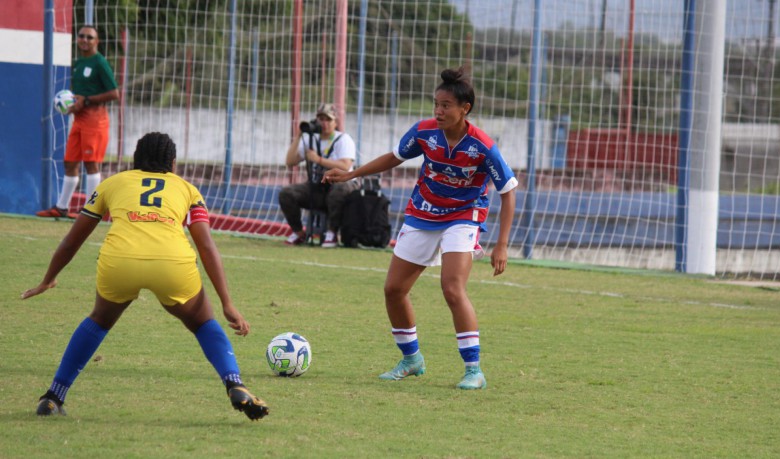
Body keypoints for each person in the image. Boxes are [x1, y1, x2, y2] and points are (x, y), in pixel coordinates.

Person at [22, 132, 269, 420]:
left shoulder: (112, 183)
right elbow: (206, 246)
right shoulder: (188, 190)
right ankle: (234, 383)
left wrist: (48, 278)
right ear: (173, 164)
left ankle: (53, 397)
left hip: (120, 261)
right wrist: (227, 302)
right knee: (203, 322)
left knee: (99, 321)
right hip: (171, 262)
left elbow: (72, 240)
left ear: (135, 160)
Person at [323, 67, 518, 390]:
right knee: (393, 290)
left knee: (452, 288)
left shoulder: (482, 146)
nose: (438, 111)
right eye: (436, 104)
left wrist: (502, 244)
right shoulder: (424, 132)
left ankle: (474, 370)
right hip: (423, 213)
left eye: (446, 106)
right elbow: (394, 158)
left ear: (464, 109)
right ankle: (411, 360)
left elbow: (508, 191)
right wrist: (350, 174)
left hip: (463, 217)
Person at [37, 25, 119, 219]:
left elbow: (114, 93)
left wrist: (87, 100)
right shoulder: (78, 64)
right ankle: (61, 207)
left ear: (96, 41)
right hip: (79, 120)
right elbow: (78, 93)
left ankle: (91, 210)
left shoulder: (100, 63)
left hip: (95, 121)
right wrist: (72, 105)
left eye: (89, 37)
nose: (84, 40)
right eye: (81, 36)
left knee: (91, 164)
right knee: (70, 162)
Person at [279, 103, 357, 247]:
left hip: (342, 187)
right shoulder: (310, 139)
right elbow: (290, 161)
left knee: (338, 189)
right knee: (286, 193)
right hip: (317, 187)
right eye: (321, 119)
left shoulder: (343, 139)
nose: (324, 123)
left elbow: (346, 166)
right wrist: (299, 136)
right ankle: (298, 232)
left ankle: (331, 233)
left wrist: (318, 160)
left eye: (328, 119)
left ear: (335, 122)